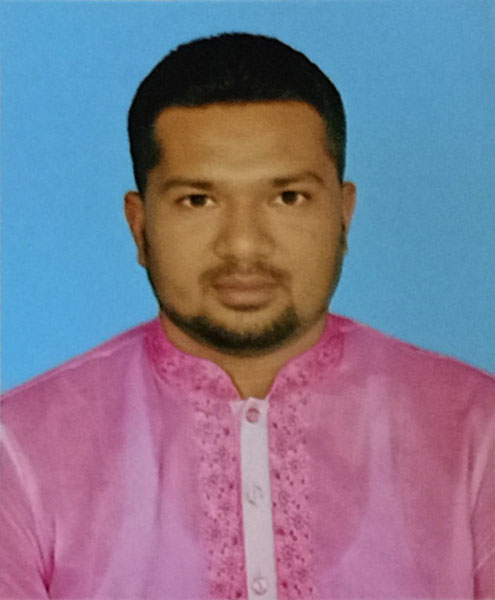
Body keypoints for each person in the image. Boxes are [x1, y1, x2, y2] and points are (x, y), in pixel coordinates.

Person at [1, 32, 493, 600]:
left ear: (343, 214)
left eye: (288, 197)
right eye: (198, 200)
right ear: (140, 226)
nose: (243, 245)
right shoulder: (20, 450)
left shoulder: (476, 431)